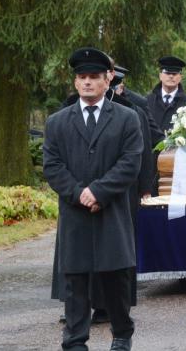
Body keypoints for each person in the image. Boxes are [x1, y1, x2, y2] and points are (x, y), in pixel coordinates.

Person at [43, 47, 143, 351]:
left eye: (94, 77)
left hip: (110, 209)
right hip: (75, 212)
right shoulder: (57, 122)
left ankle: (122, 333)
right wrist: (78, 194)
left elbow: (130, 162)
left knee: (115, 277)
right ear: (75, 82)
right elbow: (52, 165)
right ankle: (74, 341)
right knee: (75, 281)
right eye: (82, 77)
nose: (87, 82)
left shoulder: (127, 118)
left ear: (107, 80)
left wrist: (98, 192)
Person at [145, 56, 186, 133]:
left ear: (180, 77)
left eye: (175, 73)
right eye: (167, 73)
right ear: (160, 75)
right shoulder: (148, 101)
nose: (171, 76)